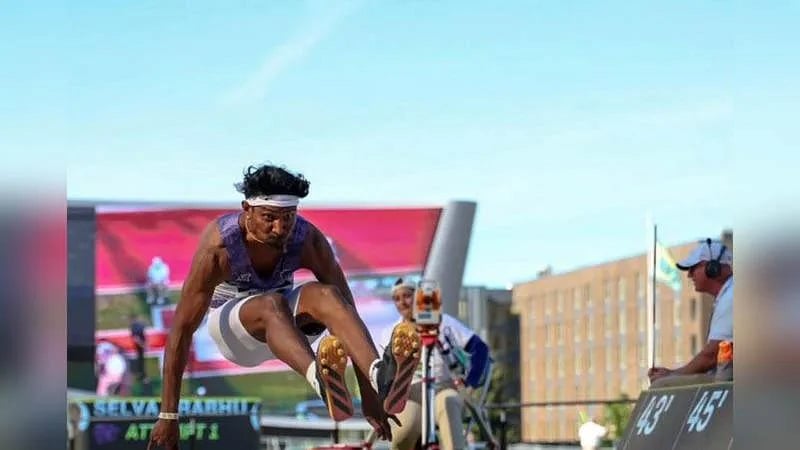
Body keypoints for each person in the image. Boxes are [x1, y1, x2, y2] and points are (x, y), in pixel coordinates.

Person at [148, 164, 421, 449]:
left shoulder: (307, 239)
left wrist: (368, 393)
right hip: (235, 335)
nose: (280, 229)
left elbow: (345, 310)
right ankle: (321, 380)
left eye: (288, 218)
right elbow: (181, 330)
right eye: (269, 218)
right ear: (247, 209)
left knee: (327, 295)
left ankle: (381, 377)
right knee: (272, 302)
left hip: (288, 331)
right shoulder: (219, 248)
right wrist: (169, 414)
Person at [382, 278, 490, 450]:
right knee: (404, 434)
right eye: (397, 298)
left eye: (407, 296)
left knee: (448, 406)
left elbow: (481, 348)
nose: (402, 302)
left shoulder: (442, 321)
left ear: (418, 297)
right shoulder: (391, 331)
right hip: (411, 390)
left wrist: (470, 381)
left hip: (444, 386)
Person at [648, 238, 733, 387]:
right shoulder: (729, 294)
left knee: (661, 385)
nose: (689, 275)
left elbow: (711, 356)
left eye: (693, 268)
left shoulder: (732, 296)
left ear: (713, 268)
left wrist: (673, 375)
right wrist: (673, 373)